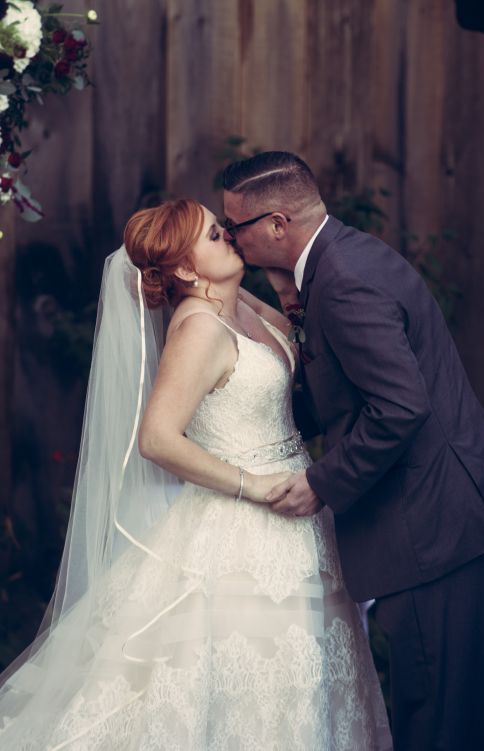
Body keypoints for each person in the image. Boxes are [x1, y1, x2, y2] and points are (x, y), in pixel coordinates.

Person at [0, 198, 391, 749]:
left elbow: (296, 341)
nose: (229, 235)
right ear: (185, 270)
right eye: (214, 234)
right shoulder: (199, 330)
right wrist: (248, 482)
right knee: (251, 679)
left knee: (305, 680)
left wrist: (282, 285)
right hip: (242, 531)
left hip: (298, 520)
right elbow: (157, 438)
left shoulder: (239, 306)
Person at [222, 151, 484, 751]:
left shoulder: (343, 280)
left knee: (439, 718)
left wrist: (322, 481)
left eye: (236, 227)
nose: (231, 239)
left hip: (433, 528)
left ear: (276, 225)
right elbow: (350, 389)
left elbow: (400, 407)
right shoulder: (340, 259)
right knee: (460, 708)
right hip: (450, 513)